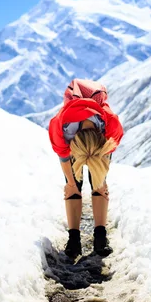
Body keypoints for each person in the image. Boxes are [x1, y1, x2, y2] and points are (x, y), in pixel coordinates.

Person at [48, 78, 124, 259]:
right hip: (75, 128)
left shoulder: (111, 129)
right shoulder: (60, 129)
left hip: (99, 136)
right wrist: (71, 183)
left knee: (99, 183)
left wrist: (101, 179)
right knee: (73, 185)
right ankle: (74, 239)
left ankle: (100, 237)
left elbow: (101, 166)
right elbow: (64, 157)